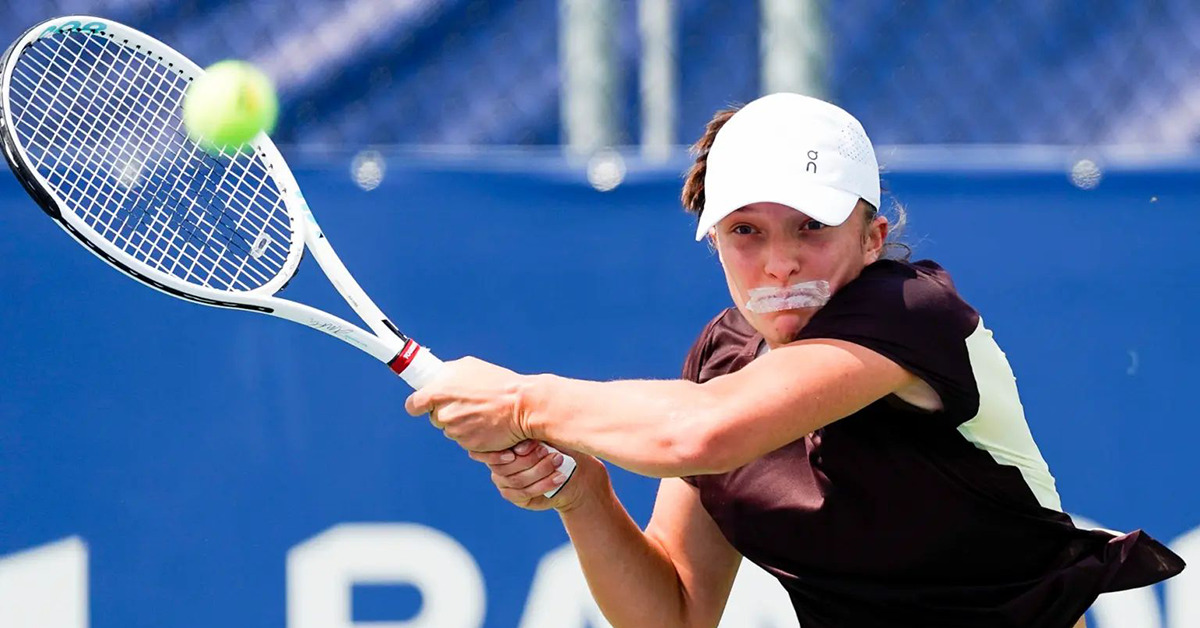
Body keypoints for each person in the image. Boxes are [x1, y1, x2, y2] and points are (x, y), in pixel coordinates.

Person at [405, 93, 1184, 628]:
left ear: (872, 238)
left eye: (810, 226)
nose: (779, 263)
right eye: (746, 231)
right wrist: (581, 492)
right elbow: (674, 611)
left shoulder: (909, 314)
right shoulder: (721, 357)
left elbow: (701, 437)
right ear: (713, 241)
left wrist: (520, 401)